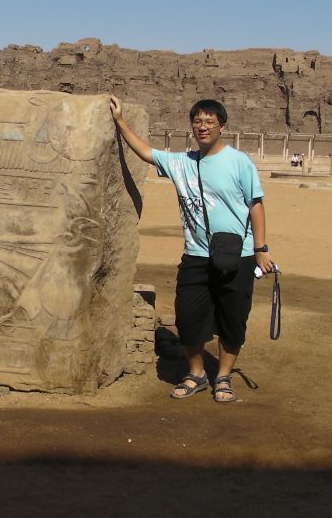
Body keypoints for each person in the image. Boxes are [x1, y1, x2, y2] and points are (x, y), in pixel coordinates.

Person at [109, 96, 275, 402]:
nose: (203, 126)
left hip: (238, 255)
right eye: (198, 121)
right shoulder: (181, 163)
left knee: (232, 318)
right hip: (197, 255)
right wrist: (119, 121)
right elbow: (146, 152)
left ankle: (223, 376)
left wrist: (261, 248)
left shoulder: (239, 162)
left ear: (222, 126)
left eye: (210, 121)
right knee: (187, 316)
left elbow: (256, 205)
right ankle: (197, 373)